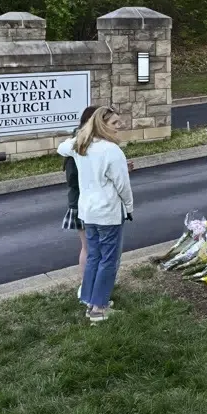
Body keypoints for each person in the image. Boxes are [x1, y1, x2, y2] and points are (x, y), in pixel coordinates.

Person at [57, 106, 134, 322]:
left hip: (87, 212)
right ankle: (99, 309)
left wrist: (80, 137)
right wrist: (129, 207)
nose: (120, 126)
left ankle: (90, 300)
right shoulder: (112, 151)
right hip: (108, 213)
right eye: (115, 123)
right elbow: (123, 185)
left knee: (94, 256)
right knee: (108, 260)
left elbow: (61, 148)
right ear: (102, 125)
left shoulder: (81, 146)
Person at [62, 105, 98, 300]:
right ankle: (86, 286)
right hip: (82, 205)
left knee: (93, 248)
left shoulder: (91, 145)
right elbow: (73, 178)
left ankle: (93, 286)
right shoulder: (77, 146)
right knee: (89, 248)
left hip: (90, 203)